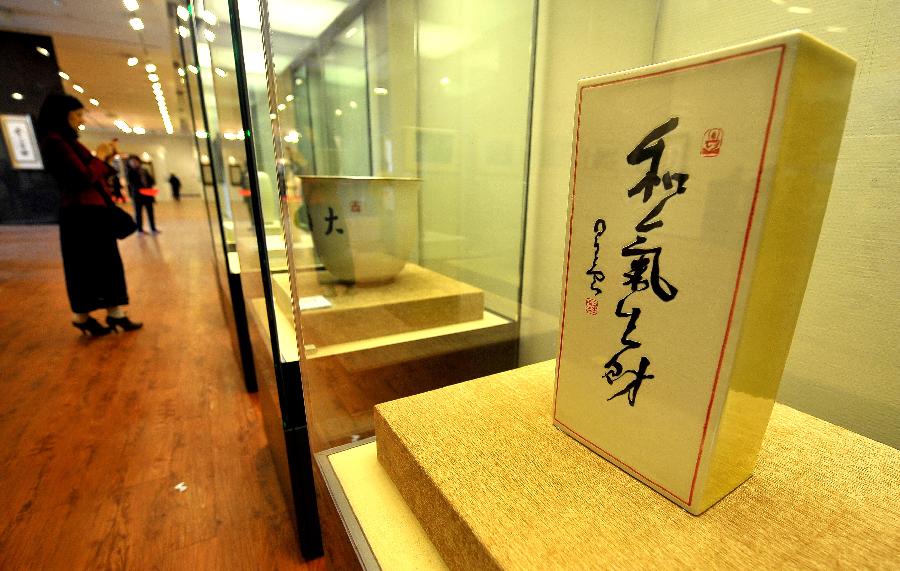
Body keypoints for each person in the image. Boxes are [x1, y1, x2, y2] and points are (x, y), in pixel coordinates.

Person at [37, 93, 142, 336]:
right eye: (78, 115)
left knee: (104, 263)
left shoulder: (64, 141)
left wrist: (105, 158)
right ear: (63, 116)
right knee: (86, 265)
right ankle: (84, 315)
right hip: (81, 214)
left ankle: (112, 312)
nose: (81, 120)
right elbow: (80, 178)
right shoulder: (55, 142)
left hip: (90, 212)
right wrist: (100, 157)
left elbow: (90, 175)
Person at [126, 155, 159, 233]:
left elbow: (151, 180)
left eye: (135, 161)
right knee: (138, 213)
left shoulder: (144, 170)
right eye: (132, 162)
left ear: (139, 161)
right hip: (137, 195)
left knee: (150, 212)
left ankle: (153, 228)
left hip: (147, 194)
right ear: (129, 164)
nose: (134, 163)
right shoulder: (130, 172)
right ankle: (139, 229)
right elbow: (132, 183)